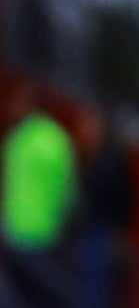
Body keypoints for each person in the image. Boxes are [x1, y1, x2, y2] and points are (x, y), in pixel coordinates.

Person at [0, 79, 82, 307]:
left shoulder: (16, 140)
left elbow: (6, 184)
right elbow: (69, 191)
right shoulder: (58, 139)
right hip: (47, 231)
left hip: (15, 230)